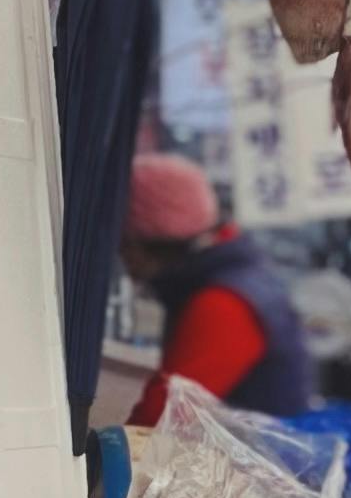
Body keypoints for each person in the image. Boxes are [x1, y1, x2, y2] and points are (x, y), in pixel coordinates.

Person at [121, 153, 312, 424]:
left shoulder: (223, 304)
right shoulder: (231, 277)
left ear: (149, 245)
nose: (123, 259)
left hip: (253, 451)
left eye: (125, 245)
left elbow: (161, 416)